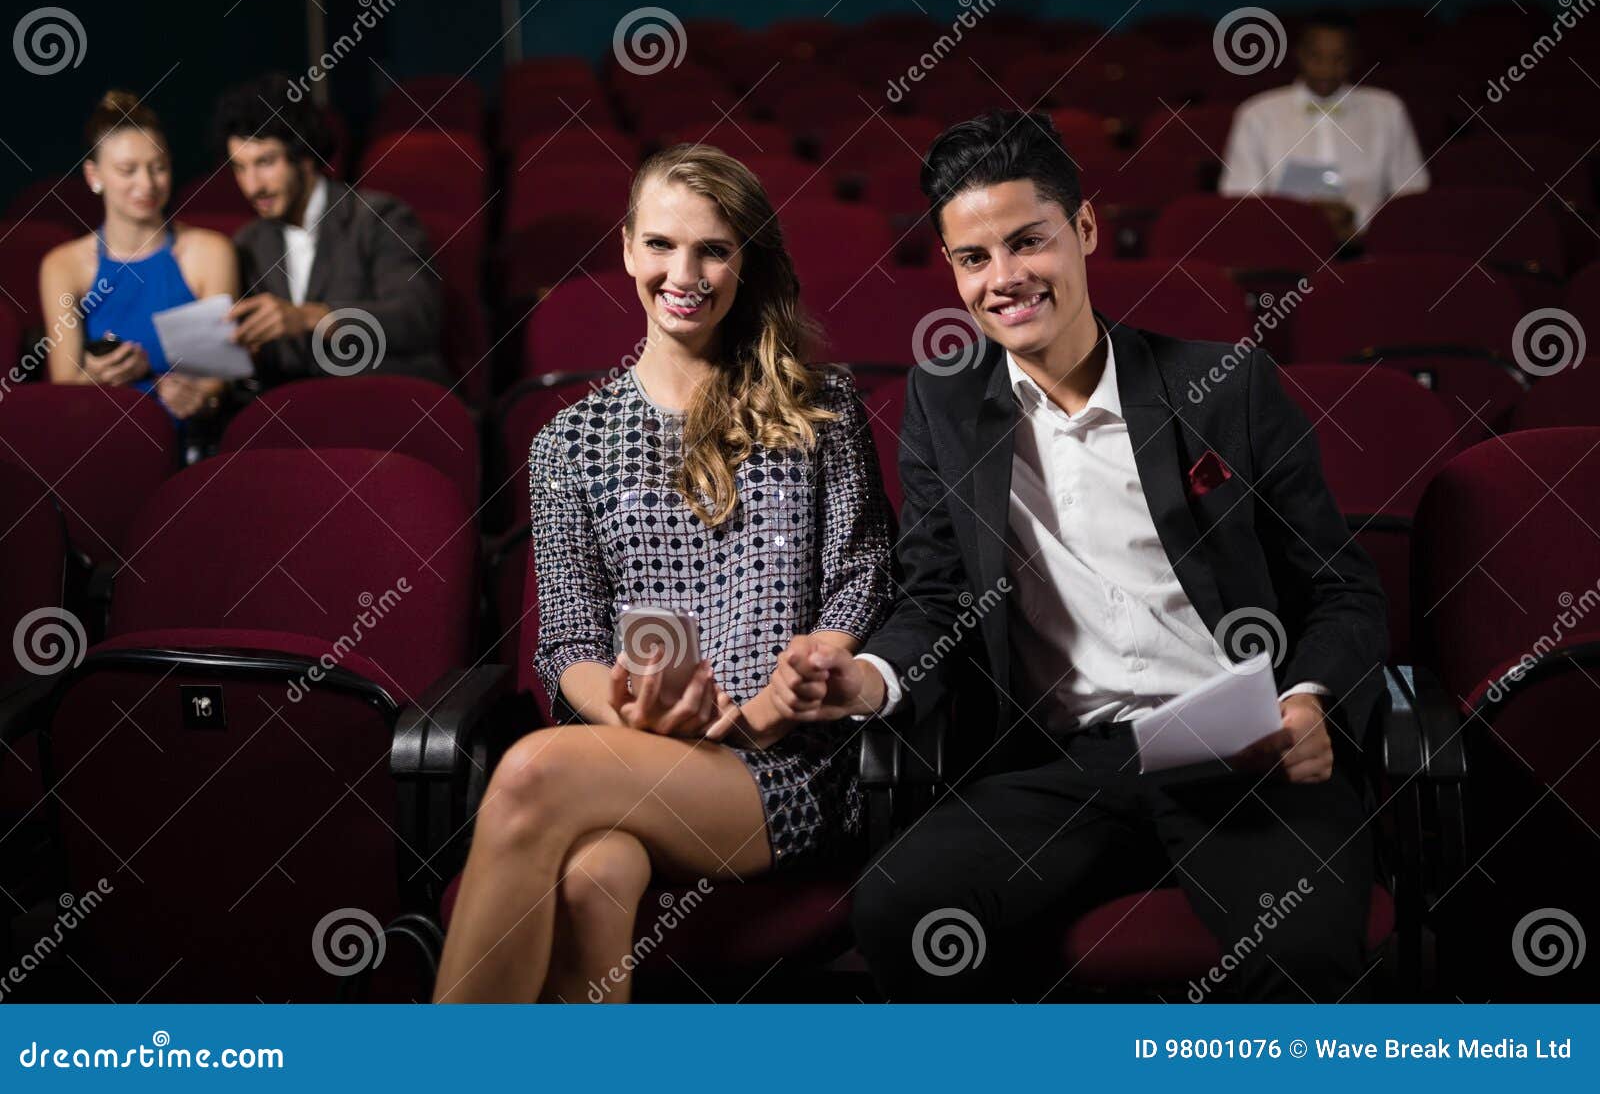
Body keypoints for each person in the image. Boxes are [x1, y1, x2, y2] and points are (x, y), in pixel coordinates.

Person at [784, 110, 1387, 1001]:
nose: (1005, 280)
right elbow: (936, 596)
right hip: (1067, 762)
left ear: (1087, 230)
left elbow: (1344, 591)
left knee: (1299, 959)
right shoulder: (945, 403)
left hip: (1240, 752)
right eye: (973, 259)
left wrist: (1307, 703)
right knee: (902, 906)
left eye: (1029, 242)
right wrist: (867, 677)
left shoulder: (1223, 385)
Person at [431, 144, 894, 1003]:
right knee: (593, 877)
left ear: (745, 260)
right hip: (639, 750)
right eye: (662, 245)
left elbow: (860, 583)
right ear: (626, 248)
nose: (685, 273)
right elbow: (567, 640)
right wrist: (628, 705)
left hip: (782, 764)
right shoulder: (567, 440)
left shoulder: (821, 410)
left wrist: (791, 686)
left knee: (531, 771)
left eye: (714, 249)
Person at [213, 74, 448, 385]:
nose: (252, 186)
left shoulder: (380, 218)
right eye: (239, 168)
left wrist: (312, 317)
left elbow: (416, 318)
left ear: (306, 157)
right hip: (297, 413)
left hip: (385, 400)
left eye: (265, 162)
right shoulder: (248, 242)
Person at [41, 91, 238, 424]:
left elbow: (217, 379)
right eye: (127, 170)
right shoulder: (63, 265)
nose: (146, 184)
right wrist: (98, 376)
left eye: (158, 167)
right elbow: (65, 390)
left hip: (191, 438)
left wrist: (201, 395)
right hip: (102, 433)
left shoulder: (211, 252)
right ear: (94, 177)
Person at [1219, 10, 1429, 238]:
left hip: (1369, 242)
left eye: (1339, 59)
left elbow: (1411, 193)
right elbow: (1241, 198)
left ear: (1355, 58)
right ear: (1298, 54)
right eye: (1315, 57)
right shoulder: (1257, 114)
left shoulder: (1388, 111)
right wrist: (1304, 218)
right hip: (1281, 243)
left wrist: (1358, 222)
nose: (1326, 70)